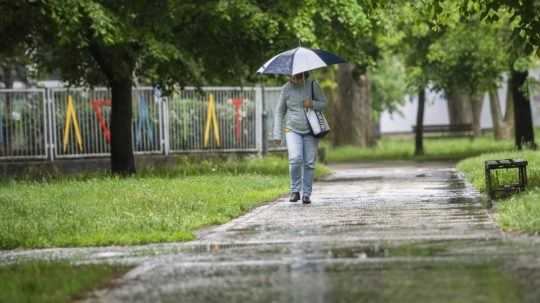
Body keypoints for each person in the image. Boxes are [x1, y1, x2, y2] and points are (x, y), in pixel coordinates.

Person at [272, 71, 327, 204]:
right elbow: (279, 111)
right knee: (295, 159)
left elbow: (324, 104)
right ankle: (295, 191)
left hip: (311, 129)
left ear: (303, 75)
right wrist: (277, 133)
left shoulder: (313, 85)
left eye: (296, 77)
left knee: (309, 162)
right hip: (292, 129)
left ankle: (306, 194)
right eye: (291, 76)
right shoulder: (286, 88)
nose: (293, 79)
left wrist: (312, 103)